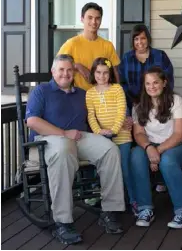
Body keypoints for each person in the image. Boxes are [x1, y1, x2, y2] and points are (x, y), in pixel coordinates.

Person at [25, 54, 125, 245]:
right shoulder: (41, 91)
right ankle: (62, 221)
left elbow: (96, 116)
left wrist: (124, 121)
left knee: (110, 149)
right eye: (61, 69)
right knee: (63, 149)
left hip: (79, 137)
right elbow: (32, 121)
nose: (65, 73)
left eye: (69, 70)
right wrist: (63, 133)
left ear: (74, 73)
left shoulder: (81, 93)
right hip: (48, 141)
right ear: (53, 72)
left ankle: (110, 210)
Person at [130, 66, 182, 229]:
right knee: (136, 156)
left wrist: (156, 152)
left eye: (156, 82)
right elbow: (138, 133)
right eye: (148, 84)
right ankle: (145, 209)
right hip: (151, 146)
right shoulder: (138, 105)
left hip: (181, 145)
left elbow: (179, 134)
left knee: (167, 160)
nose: (152, 87)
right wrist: (149, 148)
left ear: (164, 83)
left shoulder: (175, 100)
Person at [86, 57, 134, 206]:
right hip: (102, 137)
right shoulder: (90, 93)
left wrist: (114, 130)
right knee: (103, 169)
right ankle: (101, 196)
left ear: (110, 73)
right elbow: (91, 115)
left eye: (105, 73)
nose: (102, 76)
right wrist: (99, 131)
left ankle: (133, 200)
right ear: (94, 73)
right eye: (98, 72)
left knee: (124, 169)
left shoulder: (117, 89)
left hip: (122, 136)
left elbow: (121, 111)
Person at [57, 2, 120, 91]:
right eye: (90, 18)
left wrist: (117, 94)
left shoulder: (108, 45)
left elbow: (115, 74)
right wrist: (77, 66)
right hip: (77, 97)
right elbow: (57, 68)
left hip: (102, 98)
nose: (94, 22)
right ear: (82, 19)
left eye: (97, 18)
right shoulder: (71, 44)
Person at [118, 24, 174, 115]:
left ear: (148, 39)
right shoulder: (126, 58)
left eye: (143, 38)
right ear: (132, 41)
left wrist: (160, 100)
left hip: (158, 104)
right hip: (133, 105)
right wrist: (134, 101)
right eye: (136, 39)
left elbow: (168, 80)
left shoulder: (160, 55)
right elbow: (122, 82)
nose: (139, 42)